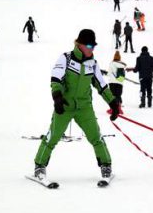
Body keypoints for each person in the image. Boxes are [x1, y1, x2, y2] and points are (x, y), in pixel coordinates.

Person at [32, 29, 120, 183]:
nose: (91, 49)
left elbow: (101, 85)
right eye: (89, 45)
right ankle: (39, 166)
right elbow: (56, 78)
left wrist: (113, 102)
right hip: (65, 106)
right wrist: (57, 97)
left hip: (84, 108)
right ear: (79, 44)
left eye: (93, 46)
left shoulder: (92, 64)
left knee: (96, 137)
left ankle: (106, 165)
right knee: (52, 136)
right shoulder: (66, 58)